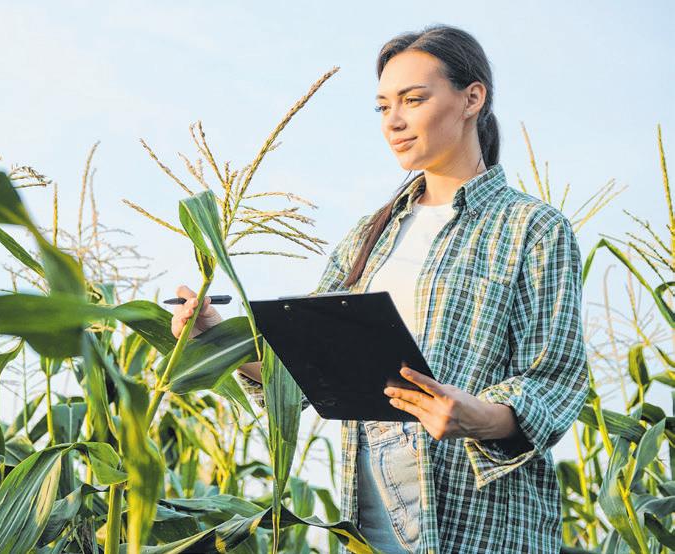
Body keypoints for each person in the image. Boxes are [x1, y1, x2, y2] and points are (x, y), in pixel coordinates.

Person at [171, 23, 588, 554]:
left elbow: (554, 380)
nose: (394, 120)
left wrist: (478, 418)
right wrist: (219, 340)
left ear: (472, 99)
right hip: (370, 523)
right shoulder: (368, 236)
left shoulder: (532, 228)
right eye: (383, 106)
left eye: (413, 100)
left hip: (482, 523)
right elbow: (305, 371)